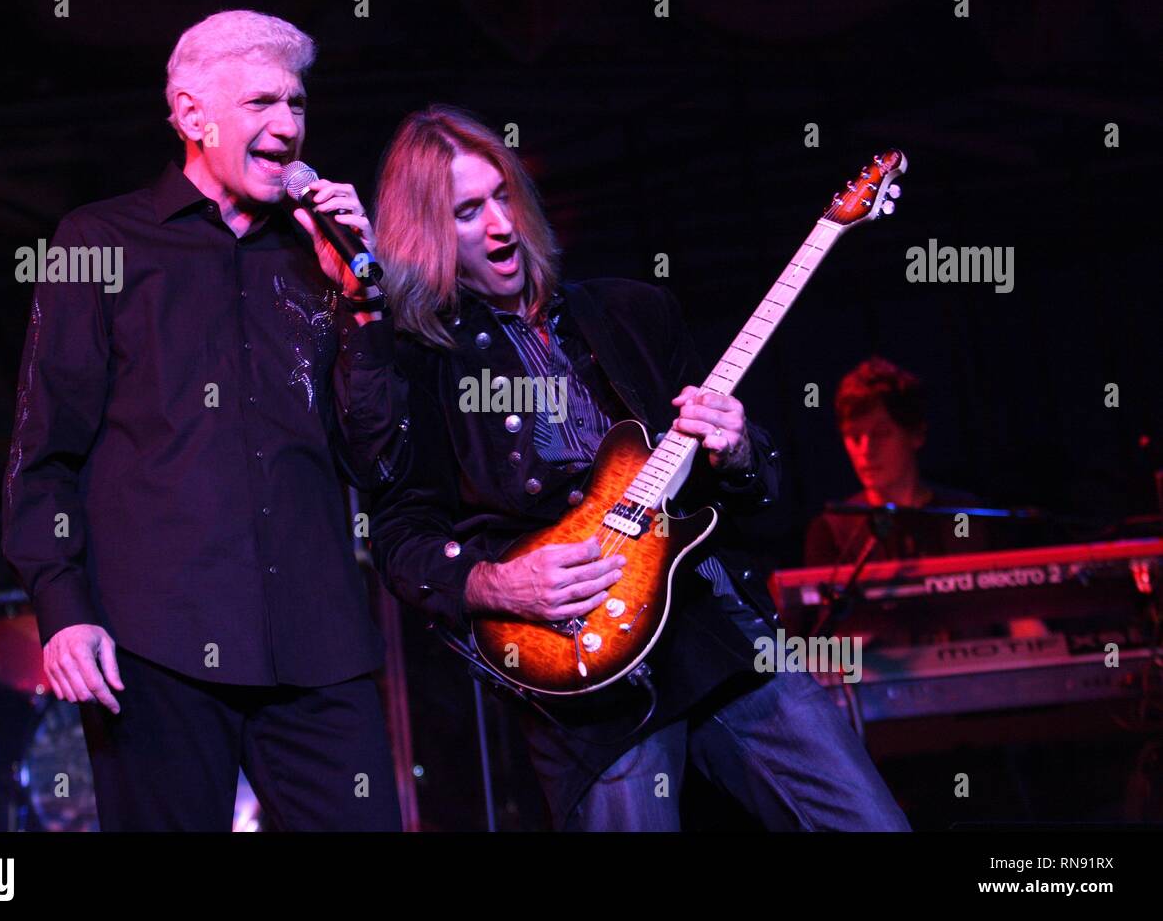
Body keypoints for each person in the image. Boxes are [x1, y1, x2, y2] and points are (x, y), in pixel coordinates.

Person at [368, 105, 909, 831]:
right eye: (468, 211)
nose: (500, 224)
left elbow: (759, 497)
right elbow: (399, 533)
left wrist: (741, 450)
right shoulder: (424, 367)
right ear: (429, 236)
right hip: (590, 677)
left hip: (718, 633)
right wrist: (494, 583)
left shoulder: (631, 312)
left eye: (503, 196)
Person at [1, 10, 405, 830]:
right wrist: (62, 605)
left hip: (317, 643)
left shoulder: (319, 256)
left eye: (297, 105)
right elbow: (43, 450)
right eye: (261, 103)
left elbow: (380, 456)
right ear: (192, 115)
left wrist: (363, 305)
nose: (288, 128)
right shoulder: (100, 242)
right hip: (153, 646)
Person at [804, 357, 989, 566]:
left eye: (881, 433)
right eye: (854, 437)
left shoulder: (966, 514)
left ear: (916, 434)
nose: (866, 450)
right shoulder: (832, 531)